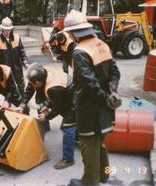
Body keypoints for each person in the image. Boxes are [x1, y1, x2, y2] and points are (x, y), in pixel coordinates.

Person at [63, 10, 121, 186]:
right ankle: (104, 175)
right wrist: (112, 93)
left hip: (89, 107)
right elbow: (115, 72)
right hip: (104, 106)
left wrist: (105, 98)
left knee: (88, 144)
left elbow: (90, 84)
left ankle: (90, 181)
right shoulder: (101, 44)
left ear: (73, 32)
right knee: (100, 142)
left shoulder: (79, 52)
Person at [20, 63, 77, 169]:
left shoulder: (53, 88)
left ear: (37, 82)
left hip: (75, 99)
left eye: (33, 84)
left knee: (67, 126)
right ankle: (76, 137)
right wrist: (23, 104)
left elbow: (58, 107)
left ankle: (68, 159)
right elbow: (30, 89)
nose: (32, 86)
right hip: (64, 93)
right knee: (68, 122)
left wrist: (46, 116)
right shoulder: (41, 71)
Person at [0, 17, 28, 96]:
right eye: (6, 30)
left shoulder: (17, 38)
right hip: (5, 68)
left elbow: (22, 51)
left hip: (17, 66)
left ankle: (24, 99)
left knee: (21, 84)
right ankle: (12, 100)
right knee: (9, 86)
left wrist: (25, 62)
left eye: (9, 29)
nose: (8, 31)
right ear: (2, 29)